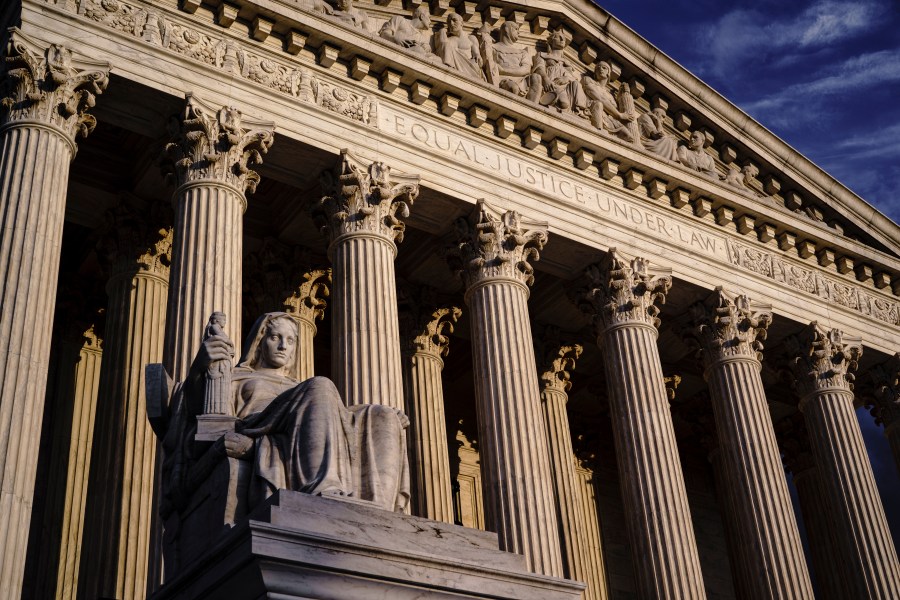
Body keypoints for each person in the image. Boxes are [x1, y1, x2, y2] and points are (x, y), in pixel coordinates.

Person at [169, 312, 410, 513]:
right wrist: (200, 367)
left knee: (382, 415)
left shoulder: (301, 388)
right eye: (276, 337)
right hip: (258, 426)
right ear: (260, 341)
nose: (284, 345)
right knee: (321, 385)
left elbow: (338, 417)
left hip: (297, 429)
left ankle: (379, 513)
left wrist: (371, 414)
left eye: (291, 340)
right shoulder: (236, 377)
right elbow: (193, 416)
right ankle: (322, 491)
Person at [528, 28, 587, 114]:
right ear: (551, 41)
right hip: (550, 84)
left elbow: (573, 78)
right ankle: (551, 99)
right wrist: (546, 79)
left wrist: (567, 78)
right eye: (558, 37)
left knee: (576, 85)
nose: (562, 39)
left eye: (563, 38)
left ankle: (580, 112)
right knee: (564, 103)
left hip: (565, 87)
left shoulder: (567, 63)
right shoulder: (541, 55)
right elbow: (539, 68)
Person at [582, 61, 637, 143]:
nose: (600, 69)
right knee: (599, 104)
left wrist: (620, 98)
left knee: (629, 137)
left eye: (604, 68)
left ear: (608, 73)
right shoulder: (588, 80)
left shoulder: (610, 95)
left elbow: (613, 108)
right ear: (595, 73)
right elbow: (599, 98)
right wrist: (619, 115)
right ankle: (598, 135)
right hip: (593, 110)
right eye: (598, 68)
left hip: (610, 119)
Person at [433, 13, 484, 80]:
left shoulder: (470, 38)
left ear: (462, 23)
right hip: (453, 71)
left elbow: (477, 56)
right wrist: (442, 32)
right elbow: (442, 48)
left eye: (454, 20)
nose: (451, 24)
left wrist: (477, 56)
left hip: (470, 70)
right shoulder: (450, 40)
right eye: (449, 22)